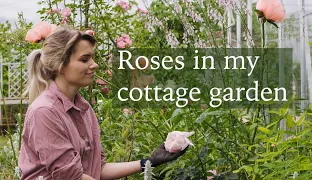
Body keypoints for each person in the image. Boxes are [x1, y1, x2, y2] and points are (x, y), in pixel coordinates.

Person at [18, 27, 187, 180]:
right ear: (59, 66)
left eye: (92, 58)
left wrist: (149, 162)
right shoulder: (45, 111)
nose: (95, 65)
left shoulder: (83, 109)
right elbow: (72, 176)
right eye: (85, 60)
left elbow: (98, 169)